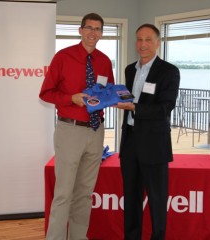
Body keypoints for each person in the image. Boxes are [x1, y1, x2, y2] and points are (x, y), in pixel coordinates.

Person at [39, 13, 115, 240]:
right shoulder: (63, 57)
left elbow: (108, 92)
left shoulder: (104, 61)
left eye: (98, 29)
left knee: (84, 193)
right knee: (63, 193)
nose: (93, 33)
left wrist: (116, 97)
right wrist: (70, 98)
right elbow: (45, 93)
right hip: (69, 130)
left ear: (102, 33)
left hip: (95, 131)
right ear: (80, 30)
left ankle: (78, 237)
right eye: (89, 28)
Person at [114, 24, 180, 240]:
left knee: (157, 199)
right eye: (139, 39)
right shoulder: (129, 69)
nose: (142, 44)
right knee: (131, 198)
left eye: (148, 40)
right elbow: (128, 98)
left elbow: (165, 108)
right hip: (130, 141)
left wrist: (134, 107)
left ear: (158, 43)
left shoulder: (169, 71)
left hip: (154, 144)